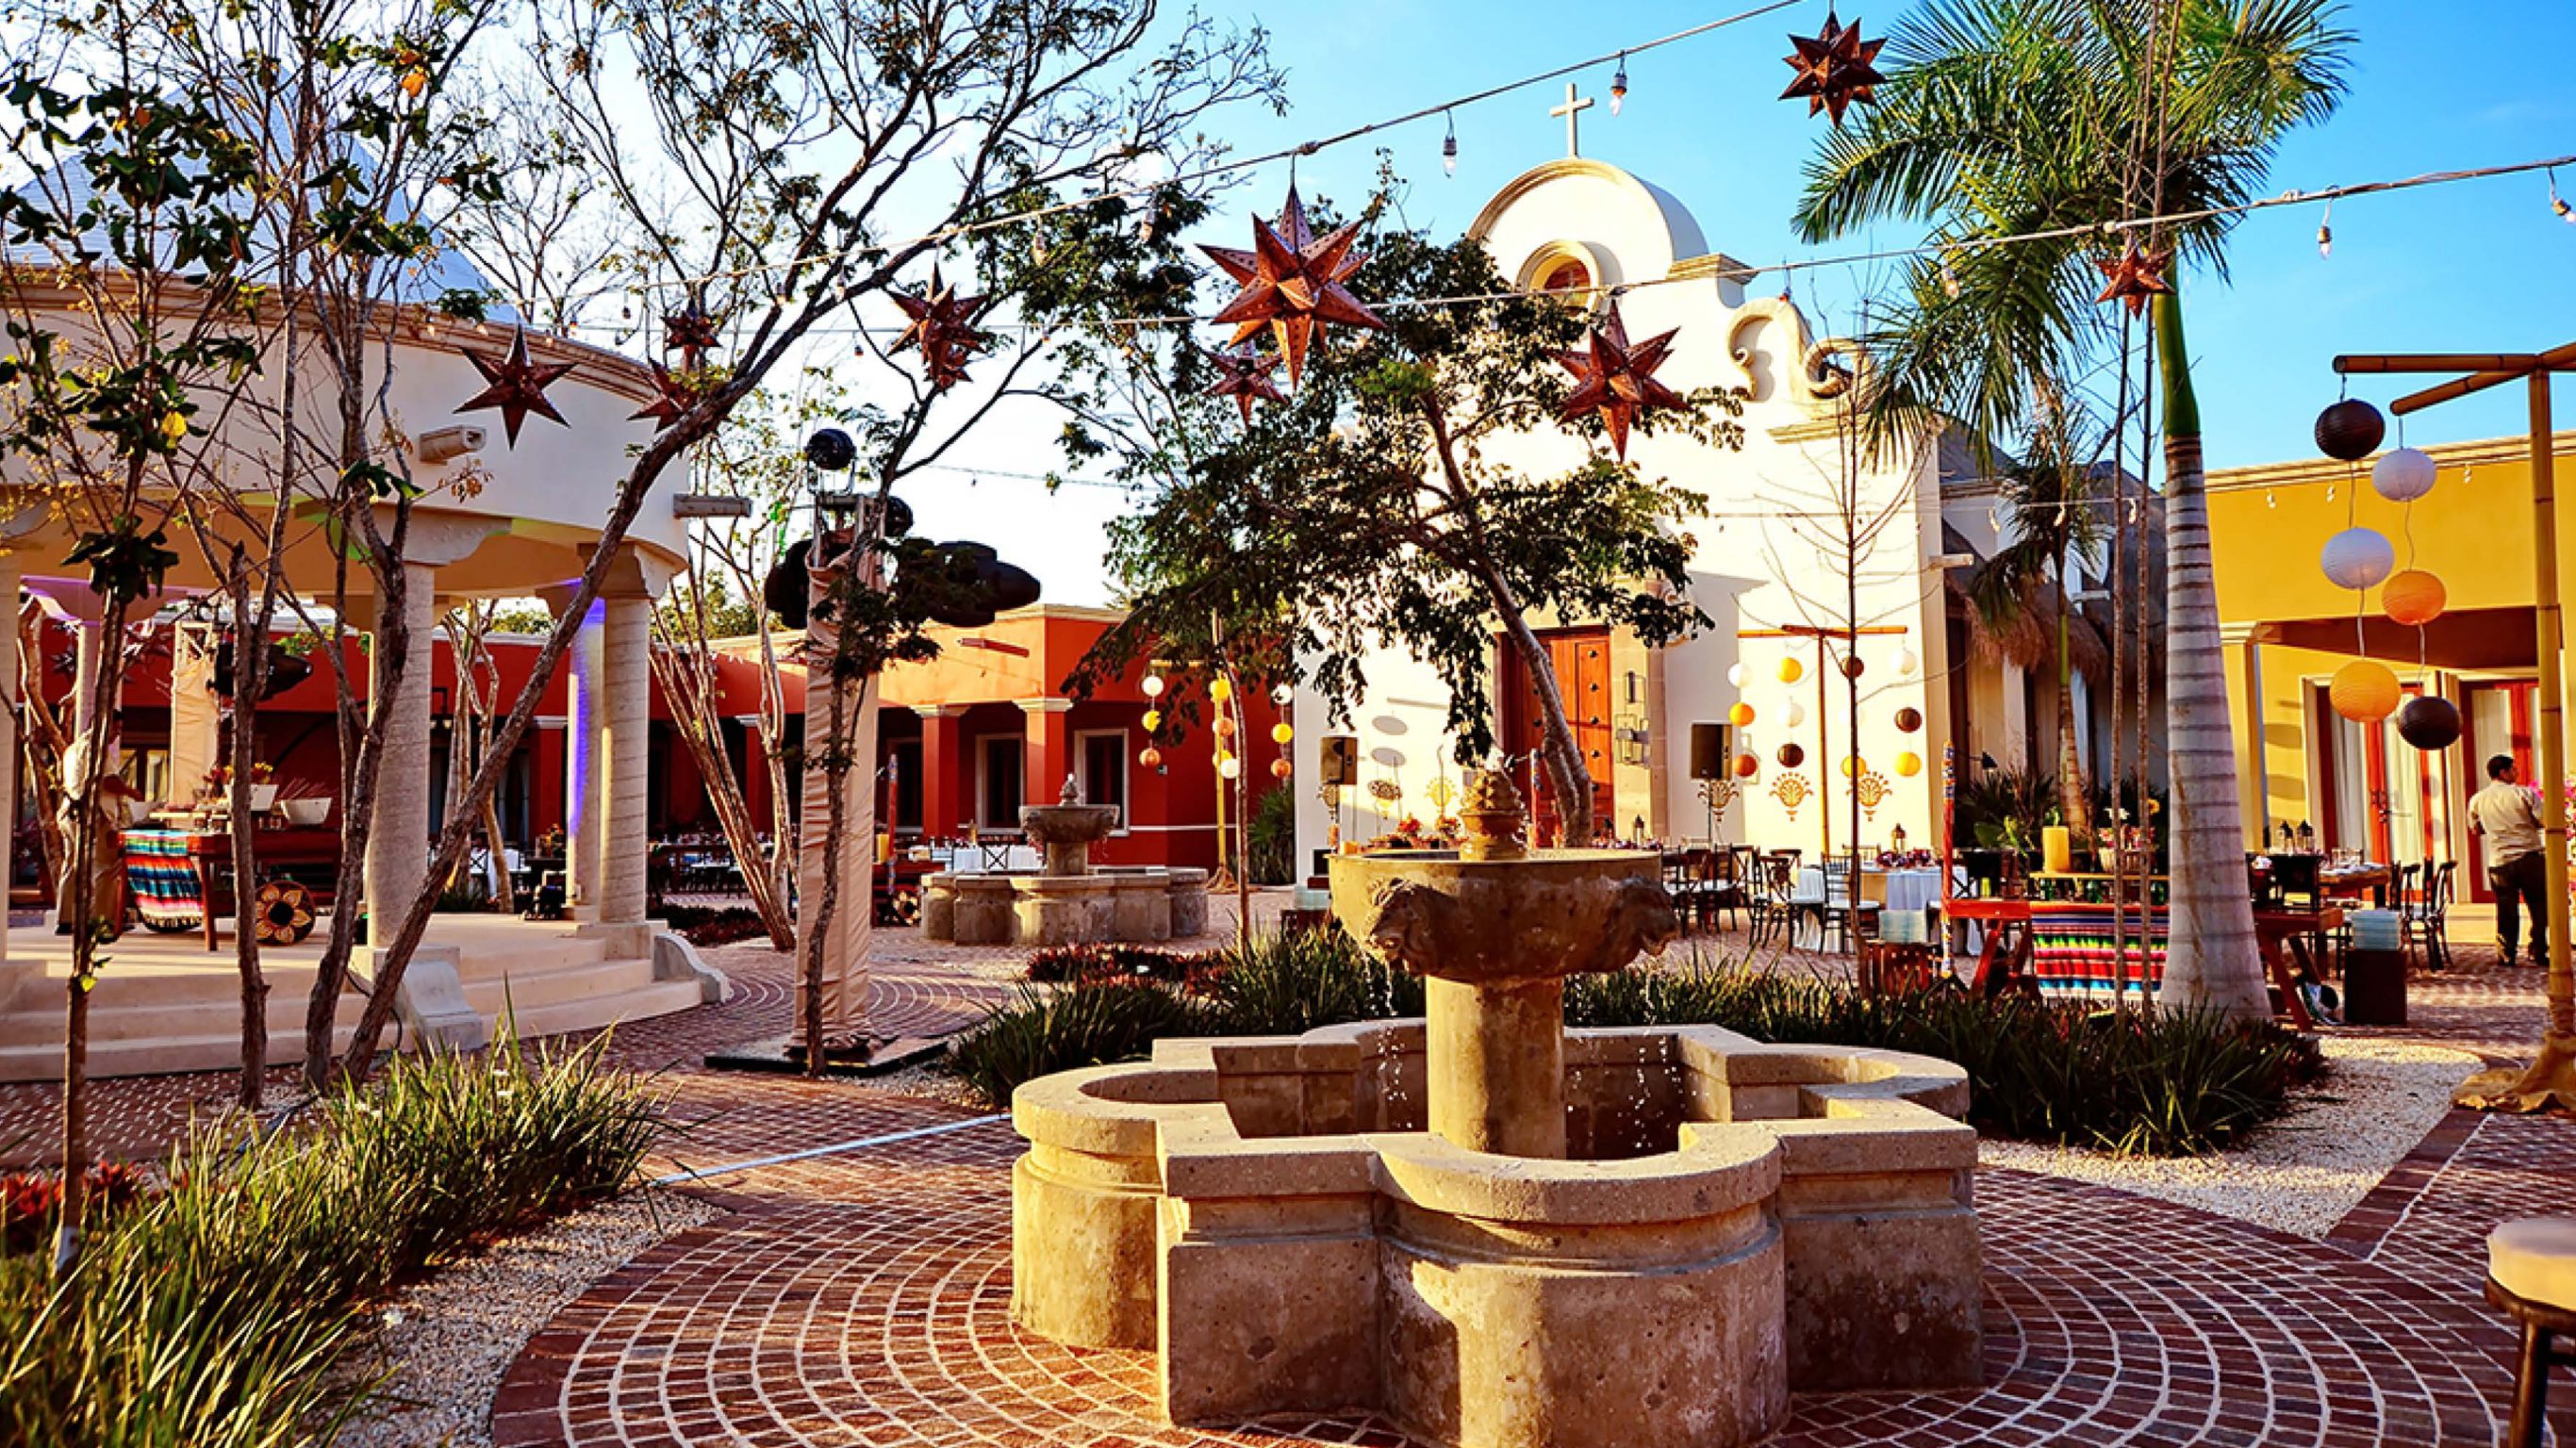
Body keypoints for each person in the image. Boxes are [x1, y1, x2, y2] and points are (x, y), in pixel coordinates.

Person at [2469, 754, 2550, 965]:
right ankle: (2538, 949)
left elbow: (2476, 829)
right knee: (2539, 905)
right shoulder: (2524, 794)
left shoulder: (2477, 799)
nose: (2517, 773)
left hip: (2500, 861)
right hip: (2529, 857)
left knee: (2506, 909)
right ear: (2503, 772)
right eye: (2514, 769)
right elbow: (2544, 820)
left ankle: (2506, 953)